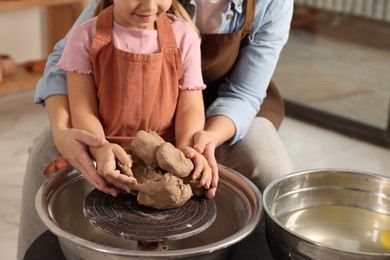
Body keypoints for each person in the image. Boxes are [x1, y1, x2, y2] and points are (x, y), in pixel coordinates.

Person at [17, 0, 294, 259]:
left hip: (200, 112)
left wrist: (193, 146)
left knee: (268, 162)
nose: (149, 5)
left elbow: (236, 96)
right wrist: (81, 138)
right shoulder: (90, 34)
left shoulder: (183, 34)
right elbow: (78, 99)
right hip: (110, 122)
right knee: (47, 149)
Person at [55, 0, 212, 196]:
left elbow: (190, 108)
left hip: (165, 157)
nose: (149, 6)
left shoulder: (184, 36)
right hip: (108, 156)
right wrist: (101, 149)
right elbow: (83, 110)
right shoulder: (85, 36)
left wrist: (186, 153)